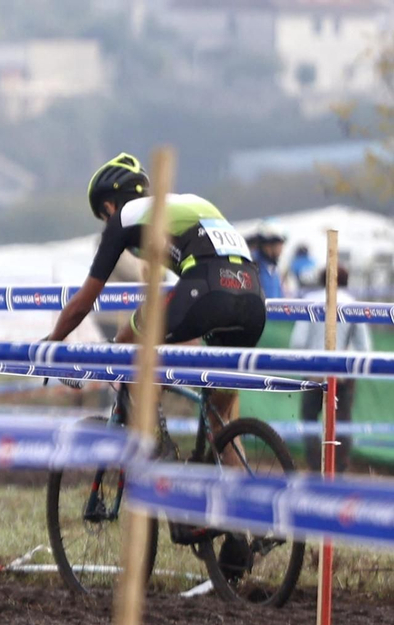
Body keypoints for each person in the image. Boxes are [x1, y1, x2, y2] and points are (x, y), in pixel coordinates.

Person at [42, 153, 266, 435]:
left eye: (103, 216)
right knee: (220, 423)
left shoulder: (123, 219)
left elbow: (83, 302)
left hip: (209, 287)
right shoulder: (180, 206)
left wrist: (53, 341)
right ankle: (233, 473)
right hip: (253, 295)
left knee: (128, 341)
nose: (106, 224)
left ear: (110, 205)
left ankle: (153, 448)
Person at [291, 264, 369, 470]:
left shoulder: (310, 301)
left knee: (308, 420)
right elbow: (364, 348)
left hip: (313, 372)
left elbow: (298, 341)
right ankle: (339, 469)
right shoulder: (352, 304)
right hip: (342, 374)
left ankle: (317, 467)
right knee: (341, 422)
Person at [246, 219, 286, 299]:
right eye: (279, 244)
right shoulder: (253, 266)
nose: (281, 249)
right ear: (268, 245)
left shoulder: (272, 268)